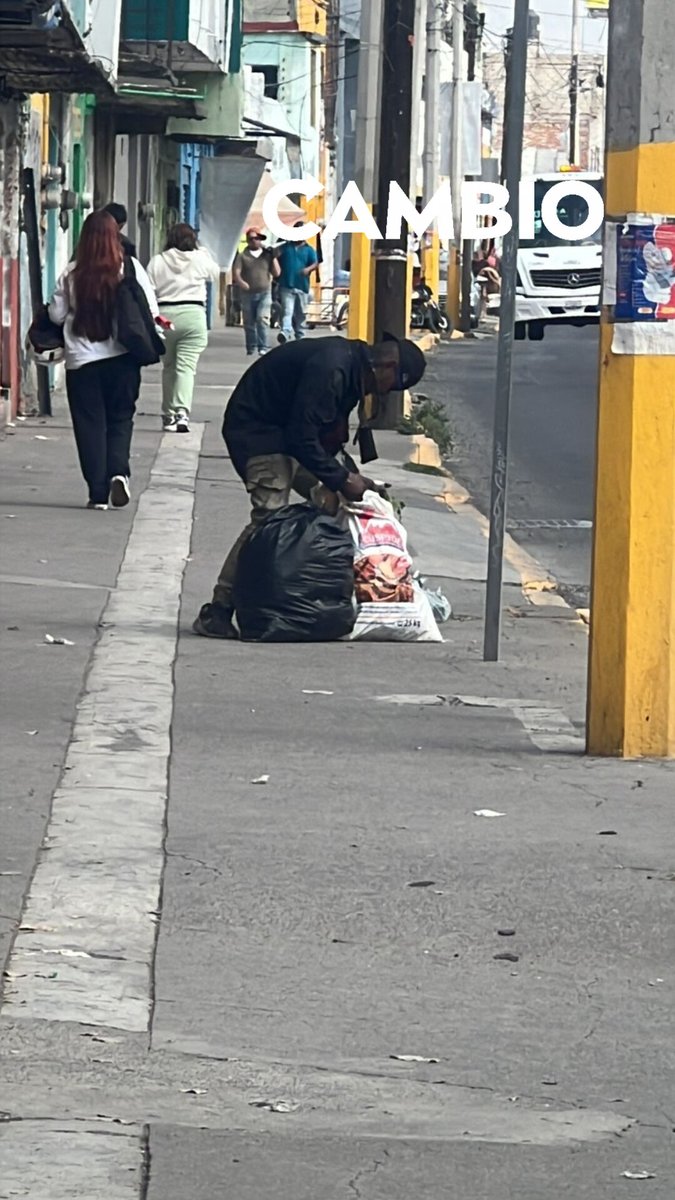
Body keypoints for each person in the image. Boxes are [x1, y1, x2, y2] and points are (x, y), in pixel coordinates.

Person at [193, 333, 427, 639]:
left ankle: (330, 597)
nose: (386, 394)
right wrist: (343, 478)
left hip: (291, 436)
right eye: (393, 386)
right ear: (387, 366)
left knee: (338, 504)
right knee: (270, 521)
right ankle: (219, 609)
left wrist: (346, 480)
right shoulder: (332, 369)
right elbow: (302, 438)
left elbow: (316, 434)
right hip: (258, 433)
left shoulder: (351, 368)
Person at [48, 210, 159, 510]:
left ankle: (97, 493)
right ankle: (119, 472)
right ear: (115, 237)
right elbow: (149, 308)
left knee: (89, 425)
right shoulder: (132, 268)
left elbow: (56, 315)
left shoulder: (72, 273)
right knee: (121, 419)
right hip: (123, 359)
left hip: (82, 362)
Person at [147, 223, 220, 433]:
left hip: (165, 316)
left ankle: (168, 415)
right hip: (193, 315)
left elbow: (148, 289)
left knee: (169, 366)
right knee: (186, 368)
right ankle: (181, 413)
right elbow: (215, 273)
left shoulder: (157, 261)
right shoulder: (200, 258)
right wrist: (204, 252)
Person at [232, 228, 280, 357]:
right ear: (247, 241)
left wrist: (273, 257)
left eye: (257, 238)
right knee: (249, 322)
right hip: (247, 293)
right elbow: (236, 272)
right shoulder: (243, 256)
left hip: (265, 292)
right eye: (251, 239)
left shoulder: (266, 255)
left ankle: (262, 346)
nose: (254, 241)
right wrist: (241, 282)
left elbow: (277, 273)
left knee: (261, 319)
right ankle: (251, 346)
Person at [275, 222, 319, 343]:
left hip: (302, 286)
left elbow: (315, 263)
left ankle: (300, 334)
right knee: (287, 311)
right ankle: (285, 331)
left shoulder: (309, 250)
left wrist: (308, 269)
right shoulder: (285, 247)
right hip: (286, 285)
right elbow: (275, 258)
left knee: (300, 313)